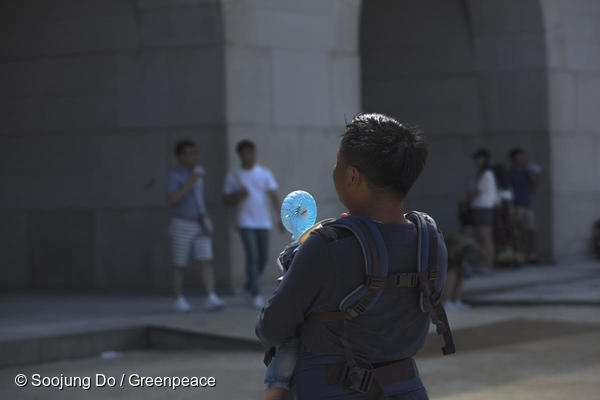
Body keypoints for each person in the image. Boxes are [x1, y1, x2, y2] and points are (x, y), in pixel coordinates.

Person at [256, 113, 449, 399]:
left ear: (352, 176)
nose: (334, 170)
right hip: (407, 387)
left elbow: (271, 328)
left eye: (338, 163)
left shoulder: (327, 245)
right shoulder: (430, 241)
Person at [223, 140, 283, 309]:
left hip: (263, 222)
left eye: (251, 152)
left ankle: (249, 284)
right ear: (240, 155)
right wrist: (239, 195)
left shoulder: (264, 173)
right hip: (245, 222)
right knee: (253, 257)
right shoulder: (234, 176)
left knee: (263, 258)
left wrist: (280, 218)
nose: (249, 156)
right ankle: (255, 293)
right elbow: (226, 199)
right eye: (245, 153)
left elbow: (273, 196)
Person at [166, 140, 224, 312]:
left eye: (195, 153)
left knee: (206, 259)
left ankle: (210, 295)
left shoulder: (199, 176)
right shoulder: (175, 176)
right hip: (182, 222)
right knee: (179, 262)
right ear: (180, 156)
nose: (194, 157)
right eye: (189, 153)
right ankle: (177, 298)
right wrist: (189, 183)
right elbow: (173, 199)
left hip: (200, 222)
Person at [506, 148, 541, 264]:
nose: (521, 160)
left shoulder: (527, 172)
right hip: (516, 206)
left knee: (531, 231)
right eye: (518, 157)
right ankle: (519, 256)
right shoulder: (510, 173)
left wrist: (536, 176)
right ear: (513, 159)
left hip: (527, 205)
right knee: (518, 233)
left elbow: (534, 189)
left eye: (522, 157)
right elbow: (507, 190)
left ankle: (532, 255)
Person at [466, 149, 497, 271]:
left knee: (486, 237)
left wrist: (468, 198)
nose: (476, 161)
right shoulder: (480, 174)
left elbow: (476, 192)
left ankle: (488, 265)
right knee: (480, 238)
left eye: (478, 158)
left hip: (484, 208)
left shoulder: (487, 174)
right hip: (478, 208)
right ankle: (483, 264)